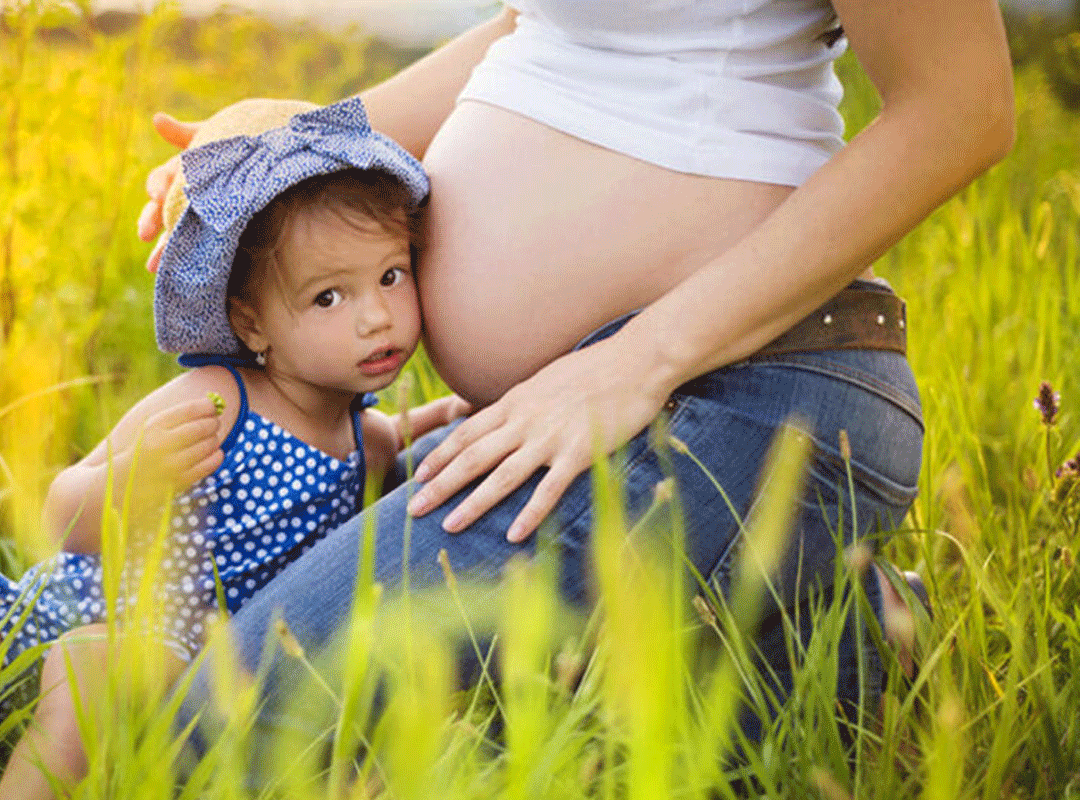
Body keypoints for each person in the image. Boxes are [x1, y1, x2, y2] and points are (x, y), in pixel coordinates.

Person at [138, 0, 1016, 764]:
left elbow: (961, 107)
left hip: (740, 387)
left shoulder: (660, 370)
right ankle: (837, 648)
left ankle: (816, 624)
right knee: (260, 594)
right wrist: (291, 149)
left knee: (225, 726)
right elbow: (542, 30)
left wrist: (637, 363)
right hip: (594, 390)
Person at [0, 97, 468, 799]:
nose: (376, 316)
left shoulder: (361, 442)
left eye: (390, 276)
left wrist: (442, 414)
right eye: (327, 299)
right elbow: (59, 513)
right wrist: (133, 480)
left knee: (98, 668)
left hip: (168, 673)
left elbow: (394, 436)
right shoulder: (218, 402)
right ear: (251, 324)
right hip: (53, 617)